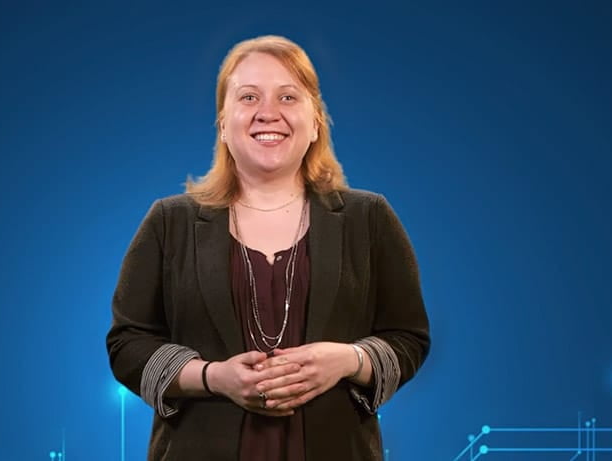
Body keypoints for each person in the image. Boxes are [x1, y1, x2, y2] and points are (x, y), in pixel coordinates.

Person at [105, 35, 430, 460]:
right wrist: (212, 377)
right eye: (249, 97)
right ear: (224, 124)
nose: (268, 112)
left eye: (288, 96)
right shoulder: (169, 222)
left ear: (316, 122)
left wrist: (348, 359)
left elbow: (408, 337)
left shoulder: (369, 218)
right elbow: (127, 343)